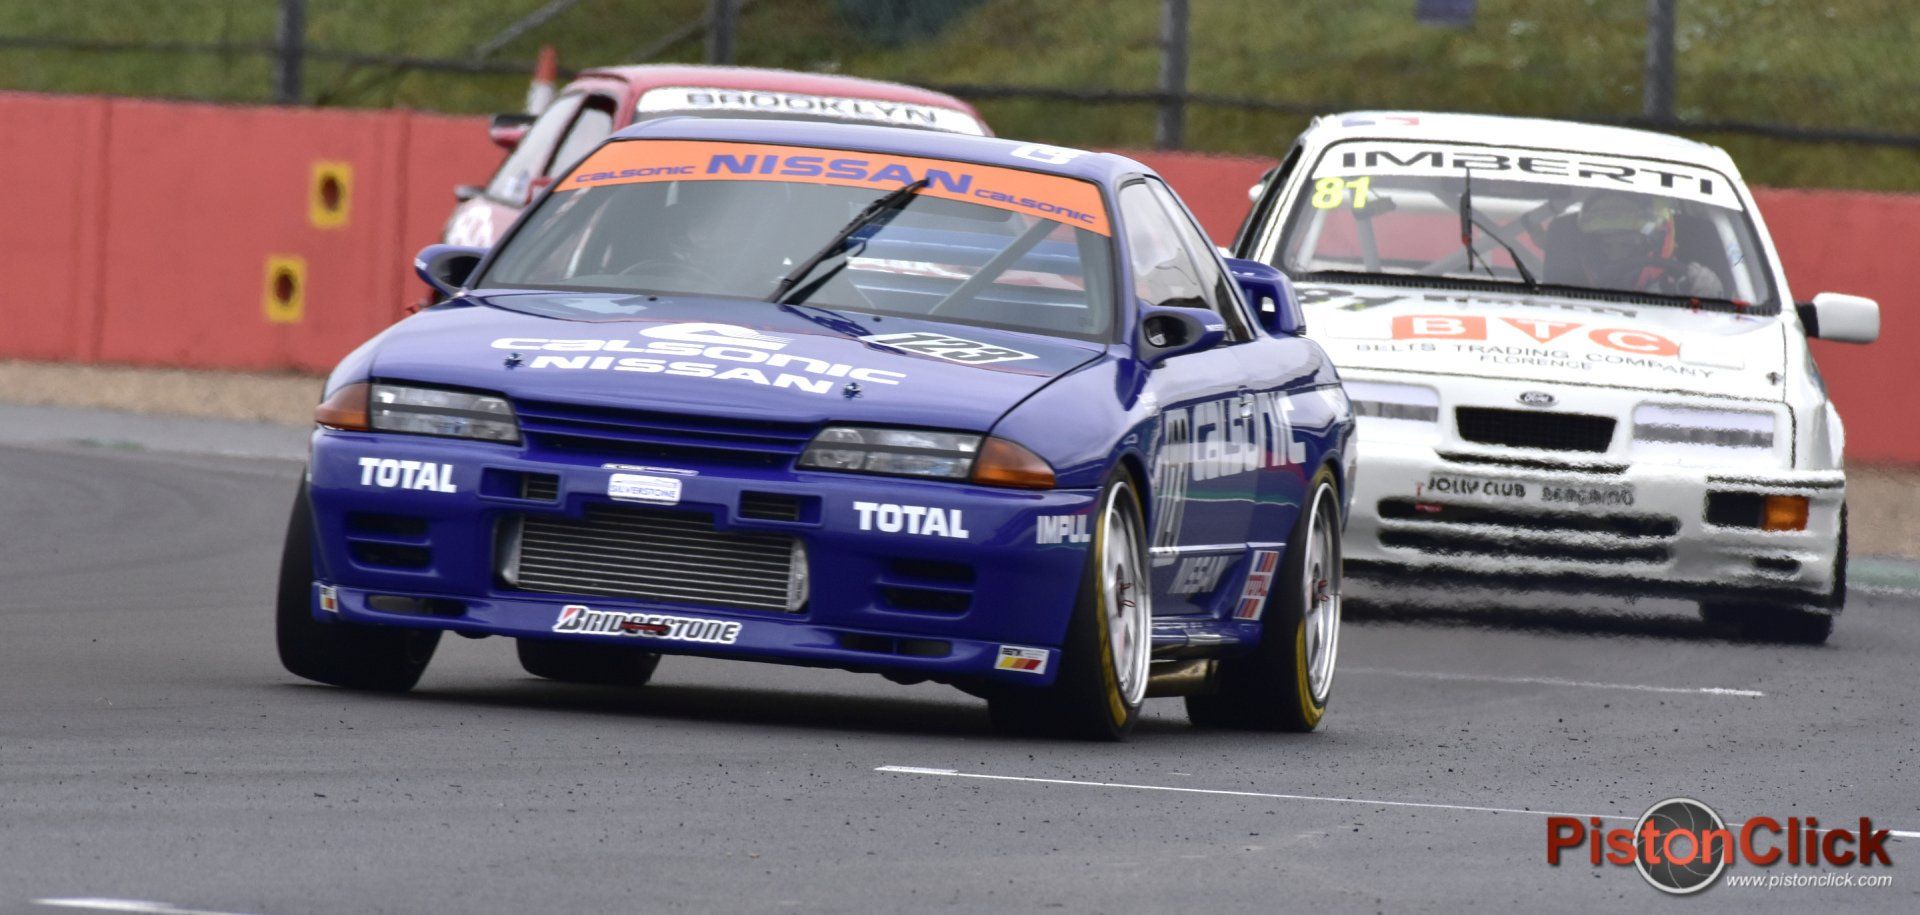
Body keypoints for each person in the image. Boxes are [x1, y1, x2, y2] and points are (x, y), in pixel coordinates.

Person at [1573, 192, 1725, 298]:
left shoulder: (1688, 284)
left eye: (1627, 242)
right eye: (1605, 241)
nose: (1616, 253)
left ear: (1656, 242)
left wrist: (1706, 294)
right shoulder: (1566, 284)